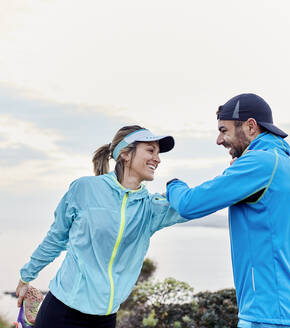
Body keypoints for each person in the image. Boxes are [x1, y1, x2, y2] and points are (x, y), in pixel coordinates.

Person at [166, 93, 290, 327]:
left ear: (250, 127)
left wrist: (172, 185)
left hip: (270, 316)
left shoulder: (261, 163)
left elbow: (190, 203)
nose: (219, 140)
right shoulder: (287, 168)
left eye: (224, 130)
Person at [16, 125, 189, 328]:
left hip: (105, 319)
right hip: (61, 311)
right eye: (150, 150)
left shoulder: (151, 208)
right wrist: (26, 276)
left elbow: (198, 204)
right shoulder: (85, 189)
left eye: (158, 153)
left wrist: (234, 176)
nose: (157, 159)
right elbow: (56, 239)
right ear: (125, 154)